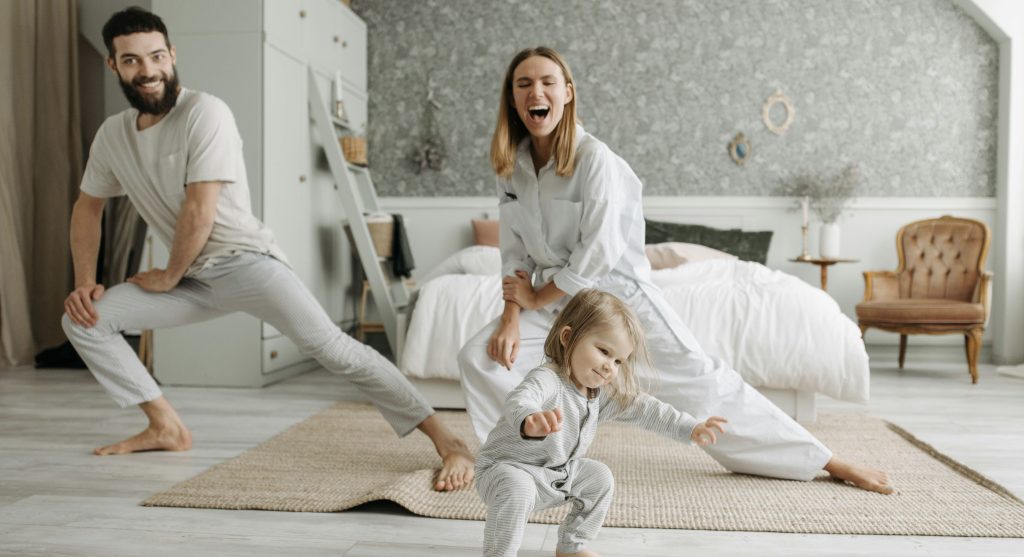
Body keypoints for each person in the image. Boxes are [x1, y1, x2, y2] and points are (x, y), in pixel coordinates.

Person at [62, 7, 472, 491]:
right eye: (131, 61)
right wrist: (85, 284)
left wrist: (168, 275)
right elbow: (87, 208)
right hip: (188, 279)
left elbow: (200, 210)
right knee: (83, 320)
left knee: (336, 351)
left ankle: (449, 441)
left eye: (156, 56)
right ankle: (165, 426)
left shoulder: (204, 111)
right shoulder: (113, 136)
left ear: (172, 55)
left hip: (244, 264)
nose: (148, 71)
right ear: (113, 66)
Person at [458, 46, 893, 494]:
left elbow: (598, 252)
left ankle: (824, 459)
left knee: (700, 379)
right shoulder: (511, 166)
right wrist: (513, 314)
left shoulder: (596, 160)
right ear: (513, 100)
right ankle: (525, 462)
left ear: (567, 93)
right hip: (551, 302)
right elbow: (514, 252)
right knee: (483, 359)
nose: (536, 91)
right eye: (523, 84)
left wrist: (538, 297)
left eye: (547, 82)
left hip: (615, 295)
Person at [476, 289, 727, 557]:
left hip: (556, 474)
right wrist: (529, 420)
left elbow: (647, 409)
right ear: (568, 337)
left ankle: (572, 545)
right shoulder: (548, 379)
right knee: (518, 488)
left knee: (599, 477)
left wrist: (690, 427)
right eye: (604, 351)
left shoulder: (600, 395)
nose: (610, 367)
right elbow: (521, 398)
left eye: (619, 360)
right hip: (506, 470)